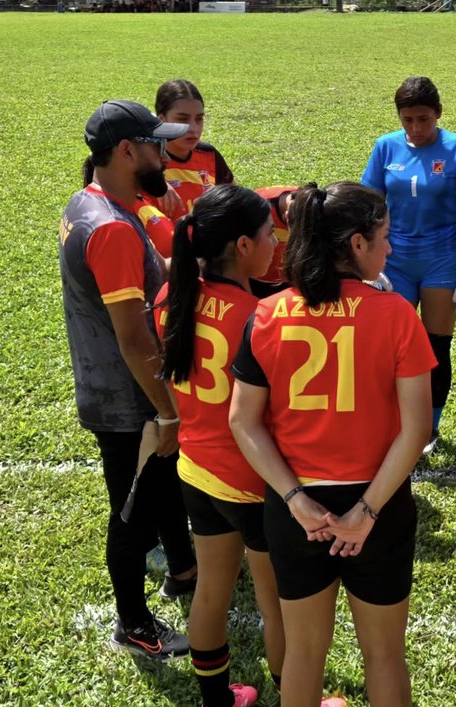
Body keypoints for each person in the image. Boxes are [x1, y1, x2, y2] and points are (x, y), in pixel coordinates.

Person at [229, 181, 444, 707]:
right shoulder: (396, 313)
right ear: (356, 243)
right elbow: (417, 429)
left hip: (299, 511)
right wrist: (367, 511)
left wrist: (295, 499)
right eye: (383, 236)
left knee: (303, 649)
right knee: (383, 650)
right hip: (374, 507)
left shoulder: (268, 313)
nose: (390, 245)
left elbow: (244, 422)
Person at [156, 184, 347, 707]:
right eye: (269, 236)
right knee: (278, 605)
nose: (276, 246)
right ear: (242, 245)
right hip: (254, 481)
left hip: (196, 469)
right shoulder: (260, 316)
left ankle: (215, 706)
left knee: (212, 589)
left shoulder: (174, 295)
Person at [59, 99, 198, 658]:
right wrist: (167, 410)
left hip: (117, 390)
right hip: (126, 401)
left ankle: (184, 572)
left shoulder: (89, 202)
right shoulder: (112, 229)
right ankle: (135, 625)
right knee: (133, 511)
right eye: (153, 144)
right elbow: (134, 337)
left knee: (161, 488)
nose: (162, 153)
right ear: (125, 152)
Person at [361, 76, 456, 453]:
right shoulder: (385, 148)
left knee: (435, 347)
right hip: (394, 261)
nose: (415, 128)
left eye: (424, 119)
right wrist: (370, 262)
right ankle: (392, 422)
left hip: (442, 260)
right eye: (408, 120)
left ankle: (429, 429)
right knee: (389, 348)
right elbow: (369, 206)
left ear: (438, 114)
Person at [154, 79, 234, 221]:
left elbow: (234, 202)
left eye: (199, 119)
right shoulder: (145, 159)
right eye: (182, 119)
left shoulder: (209, 154)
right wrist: (155, 182)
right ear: (162, 119)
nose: (193, 129)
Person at [250, 185, 297, 298]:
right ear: (286, 217)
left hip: (292, 281)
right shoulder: (257, 207)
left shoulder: (315, 204)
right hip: (253, 279)